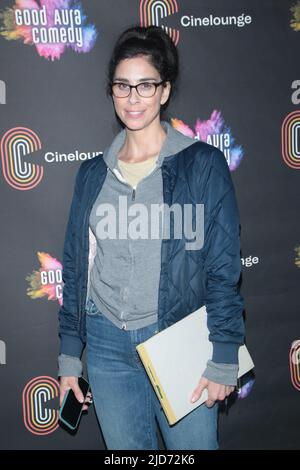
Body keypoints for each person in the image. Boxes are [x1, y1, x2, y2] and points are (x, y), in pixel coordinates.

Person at [57, 24, 245, 450]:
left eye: (146, 85)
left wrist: (224, 353)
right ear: (112, 91)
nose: (133, 97)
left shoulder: (202, 165)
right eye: (123, 86)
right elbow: (75, 264)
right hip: (106, 348)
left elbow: (223, 267)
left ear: (164, 91)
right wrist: (71, 353)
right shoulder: (92, 174)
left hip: (178, 342)